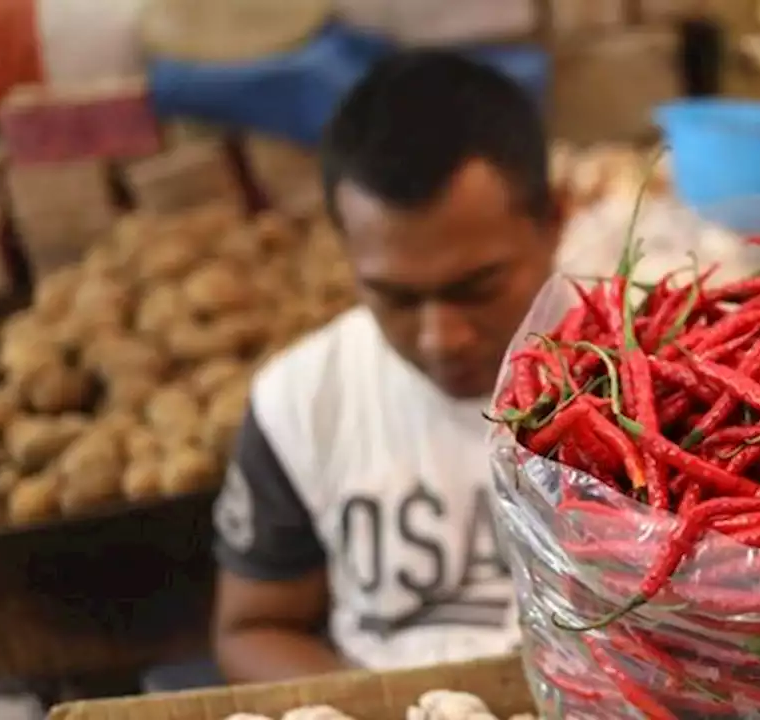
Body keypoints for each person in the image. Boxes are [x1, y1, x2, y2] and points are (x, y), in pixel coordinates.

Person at [210, 49, 560, 682]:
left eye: (477, 286)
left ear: (552, 221)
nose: (440, 337)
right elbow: (256, 625)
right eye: (396, 298)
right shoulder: (302, 399)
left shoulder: (652, 368)